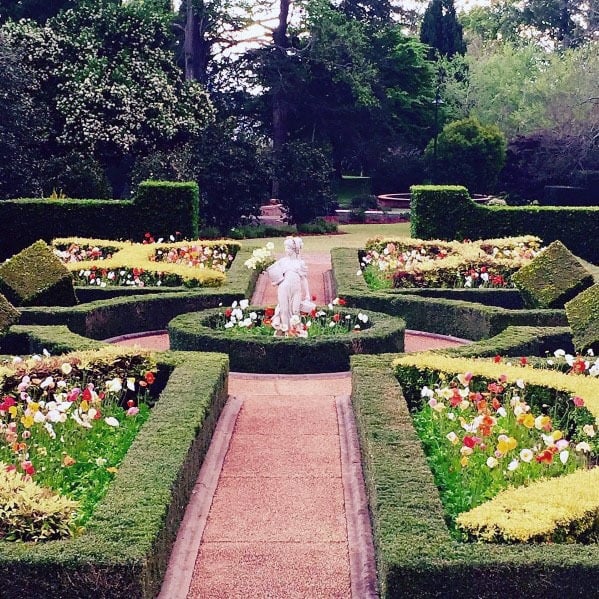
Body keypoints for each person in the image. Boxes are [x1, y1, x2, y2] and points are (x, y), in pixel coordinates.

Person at [266, 236, 315, 336]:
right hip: (284, 288)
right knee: (284, 310)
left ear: (293, 249)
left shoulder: (300, 263)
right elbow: (276, 275)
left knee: (295, 311)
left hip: (296, 289)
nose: (286, 250)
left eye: (288, 248)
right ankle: (285, 332)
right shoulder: (282, 261)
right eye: (285, 247)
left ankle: (295, 331)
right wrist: (275, 281)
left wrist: (307, 295)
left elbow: (304, 279)